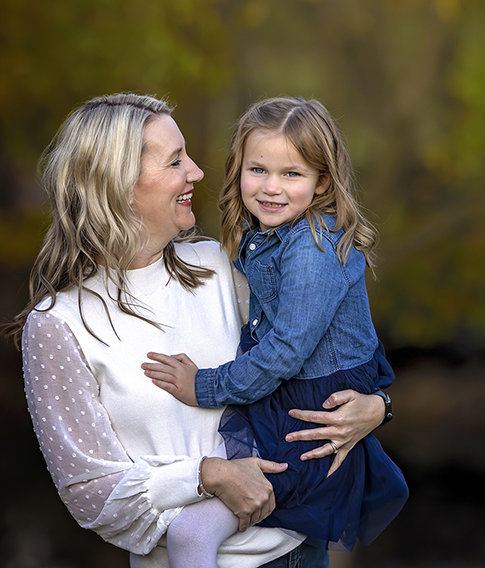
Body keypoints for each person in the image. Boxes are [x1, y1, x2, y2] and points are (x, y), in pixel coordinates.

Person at [7, 93, 390, 568]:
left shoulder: (216, 263)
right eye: (175, 161)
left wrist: (377, 406)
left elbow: (317, 345)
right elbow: (90, 494)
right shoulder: (58, 325)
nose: (197, 172)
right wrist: (207, 475)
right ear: (118, 185)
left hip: (299, 552)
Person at [141, 97, 408, 568]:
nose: (270, 188)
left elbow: (284, 351)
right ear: (237, 168)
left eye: (291, 174)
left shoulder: (311, 250)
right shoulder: (264, 233)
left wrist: (202, 385)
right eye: (257, 169)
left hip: (309, 412)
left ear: (322, 181)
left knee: (194, 529)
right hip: (291, 394)